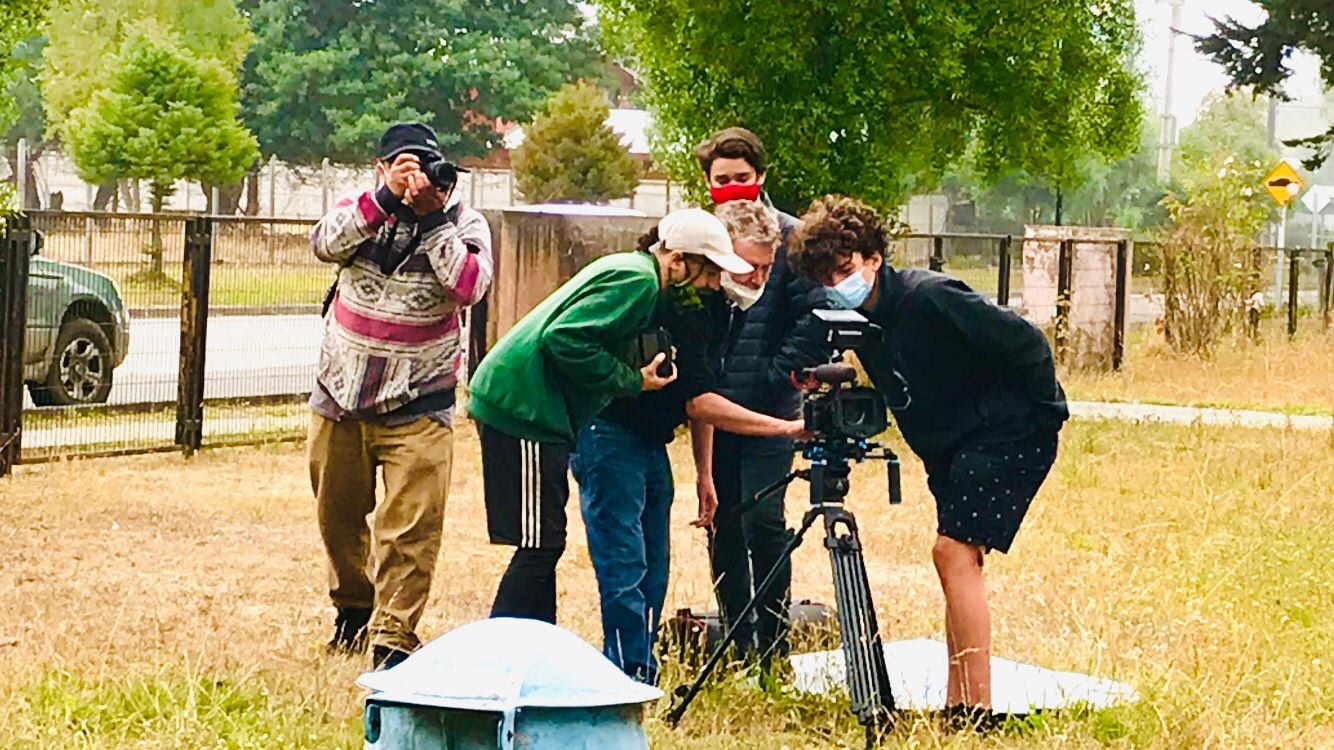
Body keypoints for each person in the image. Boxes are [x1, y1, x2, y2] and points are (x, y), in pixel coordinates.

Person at [788, 195, 1068, 720]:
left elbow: (1026, 342)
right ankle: (957, 698)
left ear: (874, 257)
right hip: (949, 445)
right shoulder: (863, 319)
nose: (837, 284)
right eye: (826, 277)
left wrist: (1032, 411)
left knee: (951, 552)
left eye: (846, 269)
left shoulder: (932, 296)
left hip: (1005, 431)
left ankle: (976, 709)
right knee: (958, 562)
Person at [468, 208, 755, 626]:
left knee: (545, 542)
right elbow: (562, 338)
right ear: (677, 260)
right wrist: (630, 379)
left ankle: (533, 648)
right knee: (539, 545)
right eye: (708, 272)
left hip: (537, 411)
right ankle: (496, 657)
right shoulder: (639, 281)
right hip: (521, 406)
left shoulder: (630, 270)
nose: (712, 284)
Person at [571, 200, 805, 685]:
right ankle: (624, 675)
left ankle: (638, 671)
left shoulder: (720, 305)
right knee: (626, 565)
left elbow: (700, 393)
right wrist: (786, 429)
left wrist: (704, 471)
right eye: (744, 264)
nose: (755, 276)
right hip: (611, 432)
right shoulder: (683, 299)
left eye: (764, 267)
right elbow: (700, 400)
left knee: (655, 566)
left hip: (651, 440)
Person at [308, 122, 493, 670]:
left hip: (420, 399)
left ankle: (393, 636)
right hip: (340, 393)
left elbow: (470, 286)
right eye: (402, 166)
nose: (415, 178)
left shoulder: (463, 222)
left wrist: (432, 217)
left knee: (412, 526)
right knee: (337, 517)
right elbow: (324, 243)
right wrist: (385, 201)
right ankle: (354, 606)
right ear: (381, 168)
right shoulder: (359, 209)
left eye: (426, 166)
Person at [692, 127, 830, 666]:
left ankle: (773, 640)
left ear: (761, 177)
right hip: (716, 407)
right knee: (721, 519)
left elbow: (813, 313)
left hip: (771, 405)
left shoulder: (787, 240)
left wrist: (778, 373)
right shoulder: (704, 240)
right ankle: (735, 636)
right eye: (721, 180)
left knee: (764, 521)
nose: (733, 187)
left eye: (742, 179)